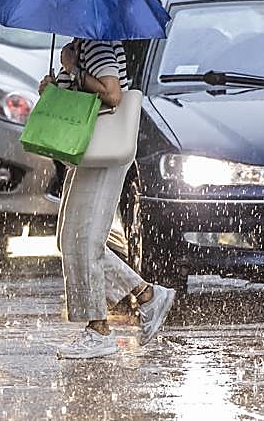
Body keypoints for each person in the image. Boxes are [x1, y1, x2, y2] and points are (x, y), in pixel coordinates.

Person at [39, 38, 175, 359]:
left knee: (85, 240)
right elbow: (79, 95)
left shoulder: (97, 46)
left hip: (104, 151)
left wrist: (74, 70)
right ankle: (147, 296)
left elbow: (112, 95)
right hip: (88, 150)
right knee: (70, 239)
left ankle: (99, 331)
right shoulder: (80, 45)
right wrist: (54, 85)